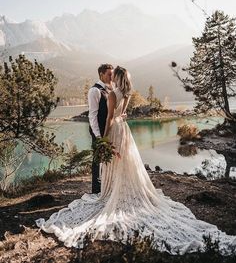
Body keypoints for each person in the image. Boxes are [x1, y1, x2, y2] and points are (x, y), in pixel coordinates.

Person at [36, 66, 236, 255]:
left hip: (115, 130)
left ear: (117, 77)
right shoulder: (127, 93)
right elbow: (122, 114)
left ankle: (112, 191)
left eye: (114, 74)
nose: (111, 76)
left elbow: (109, 119)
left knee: (115, 162)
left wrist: (103, 139)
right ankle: (116, 188)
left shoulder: (113, 94)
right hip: (125, 130)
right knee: (126, 161)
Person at [88, 63, 113, 193]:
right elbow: (92, 115)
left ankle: (105, 185)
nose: (111, 76)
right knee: (98, 159)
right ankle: (96, 190)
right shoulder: (95, 91)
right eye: (109, 74)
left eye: (112, 74)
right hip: (98, 131)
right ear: (101, 74)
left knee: (107, 158)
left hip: (107, 130)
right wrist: (98, 136)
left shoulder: (109, 90)